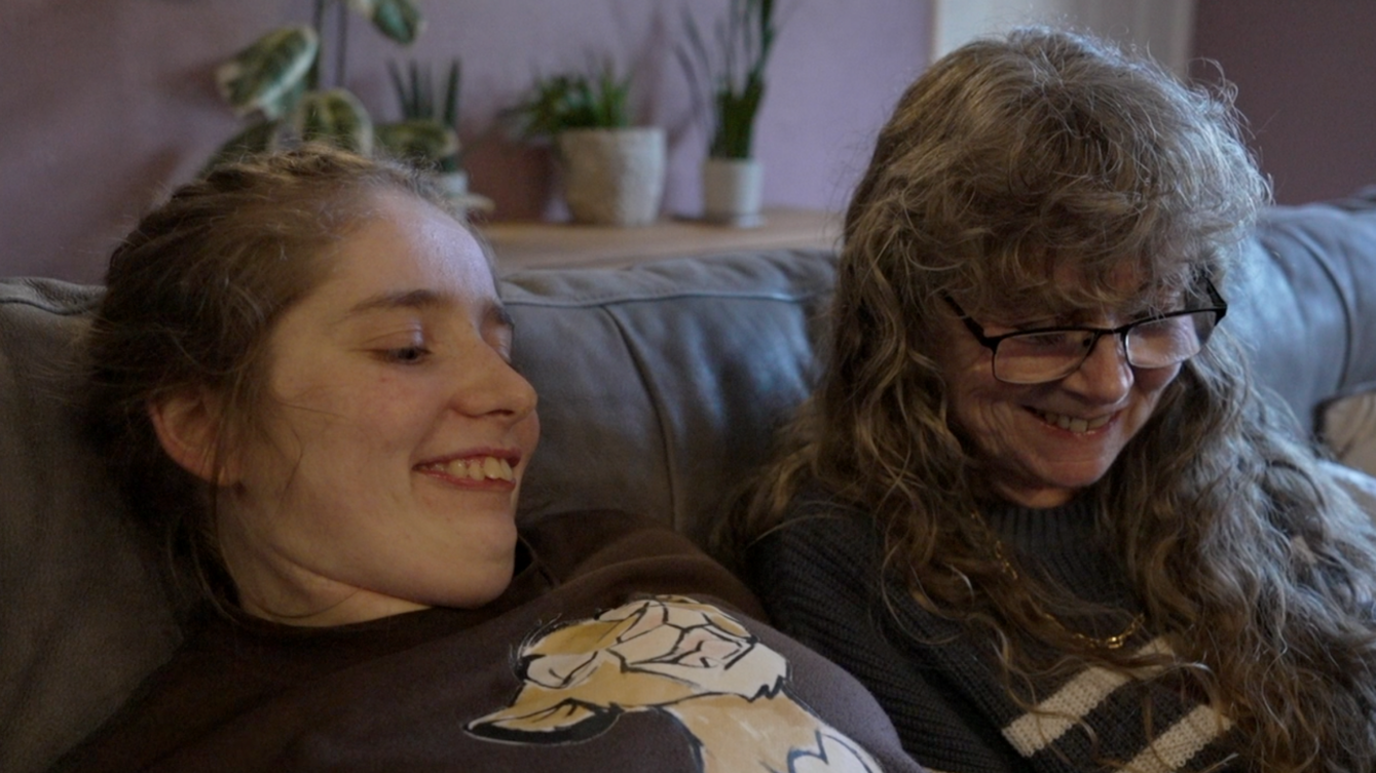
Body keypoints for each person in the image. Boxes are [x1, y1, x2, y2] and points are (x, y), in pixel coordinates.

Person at [54, 145, 922, 773]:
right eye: (407, 348)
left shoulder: (618, 554)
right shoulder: (222, 746)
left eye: (501, 346)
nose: (512, 394)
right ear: (207, 429)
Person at [724, 26, 1376, 773]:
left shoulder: (1214, 448)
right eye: (1044, 330)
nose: (1109, 384)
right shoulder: (841, 561)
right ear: (905, 317)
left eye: (1152, 315)